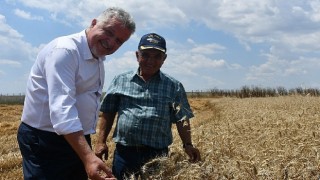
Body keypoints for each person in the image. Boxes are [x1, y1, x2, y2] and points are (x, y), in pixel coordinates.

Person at [17, 7, 136, 180]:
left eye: (119, 41)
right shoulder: (65, 51)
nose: (111, 43)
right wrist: (88, 157)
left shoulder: (97, 56)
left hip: (75, 137)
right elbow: (62, 110)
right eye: (109, 32)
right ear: (94, 23)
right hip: (46, 140)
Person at [95, 33, 201, 179]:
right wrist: (101, 142)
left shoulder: (173, 86)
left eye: (157, 56)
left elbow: (181, 118)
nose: (150, 61)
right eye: (145, 55)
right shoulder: (121, 80)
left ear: (164, 59)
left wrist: (188, 144)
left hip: (157, 155)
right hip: (125, 154)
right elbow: (108, 112)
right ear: (137, 55)